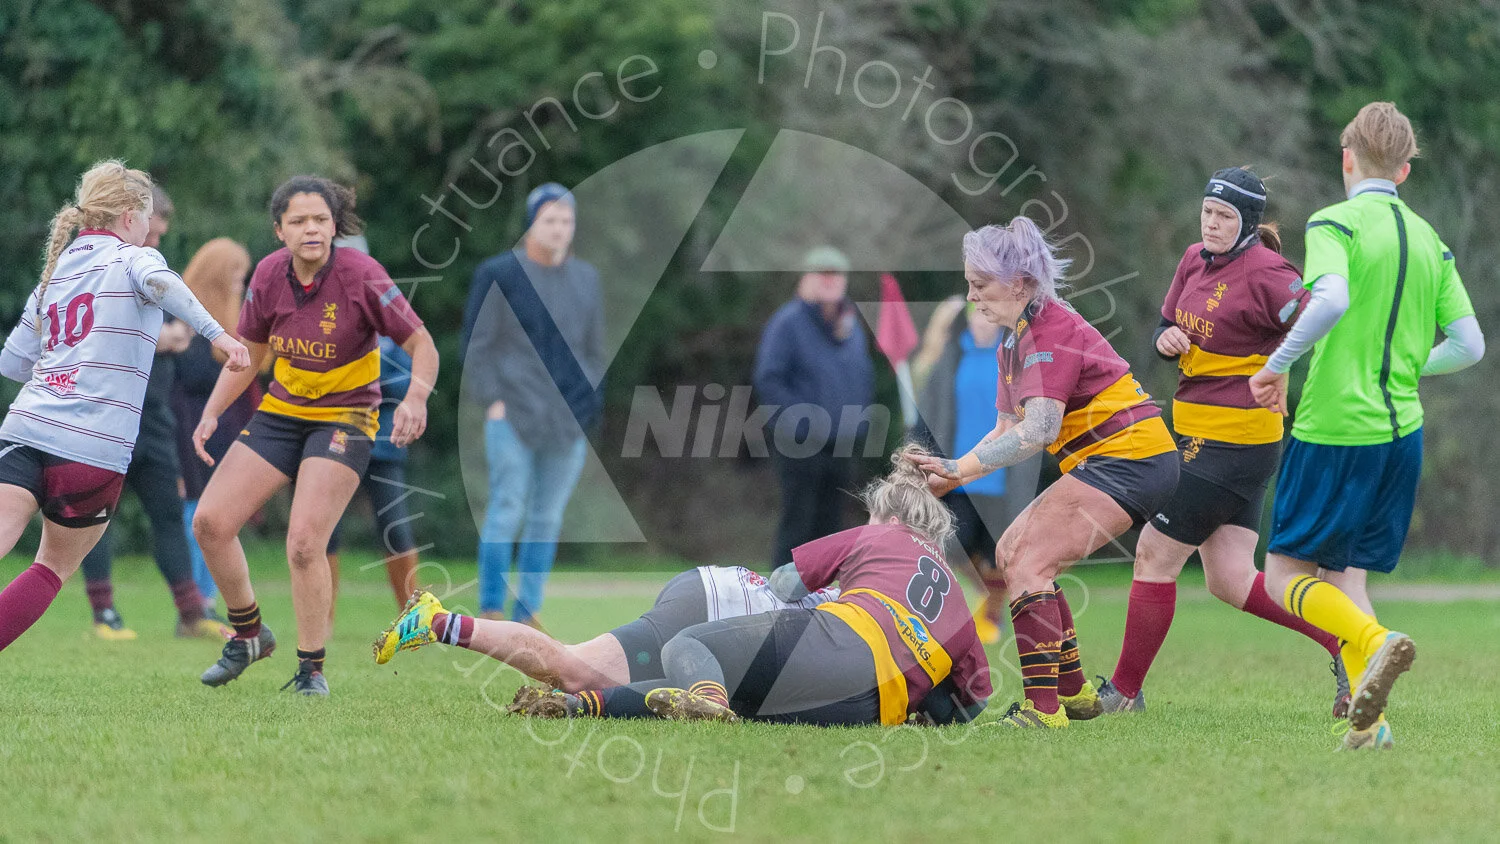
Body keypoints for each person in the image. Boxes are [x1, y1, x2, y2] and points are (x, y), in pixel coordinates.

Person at [1249, 102, 1484, 749]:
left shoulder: (1336, 222)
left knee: (1283, 577)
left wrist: (1275, 366)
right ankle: (1370, 726)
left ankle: (1376, 640)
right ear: (1405, 170)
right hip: (1402, 433)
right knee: (1347, 579)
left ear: (1347, 158)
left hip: (1336, 427)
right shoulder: (1431, 241)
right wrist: (1405, 366)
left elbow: (1331, 298)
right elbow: (1470, 345)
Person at [1095, 168, 1352, 716]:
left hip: (1235, 439)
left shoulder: (1270, 274)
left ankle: (1123, 692)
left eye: (1225, 216)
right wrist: (1166, 340)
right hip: (1199, 433)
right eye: (1207, 212)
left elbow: (1323, 315)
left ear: (1249, 223)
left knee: (1154, 552)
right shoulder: (1194, 259)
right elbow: (1166, 328)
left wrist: (1281, 367)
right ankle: (1347, 642)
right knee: (1231, 579)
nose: (1211, 224)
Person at [910, 217, 1180, 729]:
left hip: (1131, 458)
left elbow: (1039, 429)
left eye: (980, 285)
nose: (971, 297)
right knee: (1013, 551)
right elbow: (1004, 429)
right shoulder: (1013, 341)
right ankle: (1074, 694)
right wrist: (952, 474)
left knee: (1028, 561)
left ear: (1017, 284)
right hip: (1113, 460)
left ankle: (1044, 710)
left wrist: (959, 468)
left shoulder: (1049, 328)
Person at [500, 446, 991, 727]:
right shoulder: (958, 599)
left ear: (889, 515)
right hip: (871, 710)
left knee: (687, 646)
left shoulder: (879, 534)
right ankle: (580, 705)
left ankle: (709, 703)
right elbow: (972, 703)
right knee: (732, 688)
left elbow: (786, 582)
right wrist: (926, 705)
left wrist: (835, 586)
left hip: (838, 641)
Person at [190, 175, 438, 696]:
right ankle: (249, 635)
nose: (312, 229)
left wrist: (415, 398)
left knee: (305, 542)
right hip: (281, 413)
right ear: (279, 230)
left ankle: (311, 670)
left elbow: (422, 344)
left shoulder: (362, 274)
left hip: (345, 418)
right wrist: (212, 412)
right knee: (210, 523)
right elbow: (251, 354)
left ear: (334, 226)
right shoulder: (268, 274)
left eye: (321, 220)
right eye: (299, 220)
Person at [0, 161, 248, 655]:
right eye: (149, 218)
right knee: (51, 566)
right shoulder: (134, 258)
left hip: (26, 428)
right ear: (131, 216)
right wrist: (220, 335)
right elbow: (165, 285)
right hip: (91, 446)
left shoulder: (56, 271)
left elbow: (13, 363)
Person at [75, 184, 229, 640]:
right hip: (105, 418)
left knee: (169, 513)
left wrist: (176, 336)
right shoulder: (98, 269)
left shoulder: (156, 270)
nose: (156, 241)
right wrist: (162, 338)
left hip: (154, 418)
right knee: (95, 517)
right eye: (152, 232)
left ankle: (192, 614)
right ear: (130, 219)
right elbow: (91, 330)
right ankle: (104, 614)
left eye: (160, 234)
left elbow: (179, 328)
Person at [462, 183, 605, 624]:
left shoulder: (587, 279)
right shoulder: (499, 273)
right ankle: (491, 609)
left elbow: (595, 353)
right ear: (531, 225)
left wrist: (586, 407)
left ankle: (528, 612)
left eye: (566, 220)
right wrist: (493, 399)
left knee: (547, 518)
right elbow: (476, 345)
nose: (559, 228)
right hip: (512, 414)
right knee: (507, 509)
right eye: (550, 220)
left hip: (567, 421)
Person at [373, 564, 840, 693]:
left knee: (577, 668)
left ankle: (440, 621)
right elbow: (787, 580)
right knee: (575, 672)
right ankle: (435, 621)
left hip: (712, 591)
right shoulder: (863, 602)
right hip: (711, 607)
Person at [912, 297, 1043, 643]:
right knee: (952, 547)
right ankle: (962, 608)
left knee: (1000, 557)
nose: (982, 323)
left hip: (1004, 479)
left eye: (988, 316)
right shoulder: (951, 358)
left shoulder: (1015, 359)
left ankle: (991, 619)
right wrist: (918, 452)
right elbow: (928, 414)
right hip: (959, 477)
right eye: (977, 317)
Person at [753, 246, 877, 567]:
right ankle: (782, 591)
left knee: (831, 527)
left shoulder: (850, 326)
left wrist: (858, 424)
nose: (830, 281)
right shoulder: (788, 323)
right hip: (800, 444)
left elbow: (862, 377)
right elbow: (769, 379)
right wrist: (802, 425)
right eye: (822, 274)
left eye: (836, 275)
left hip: (841, 443)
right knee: (798, 523)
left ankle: (821, 591)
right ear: (805, 279)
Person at [173, 238, 260, 618]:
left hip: (224, 433)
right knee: (196, 512)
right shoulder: (184, 323)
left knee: (218, 515)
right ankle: (196, 601)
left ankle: (208, 598)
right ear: (219, 276)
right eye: (236, 275)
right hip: (189, 430)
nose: (241, 283)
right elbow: (186, 382)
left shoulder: (230, 322)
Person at [324, 334, 423, 614]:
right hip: (337, 442)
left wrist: (362, 384)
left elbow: (406, 382)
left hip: (385, 447)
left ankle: (412, 617)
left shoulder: (395, 329)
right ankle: (321, 621)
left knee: (396, 530)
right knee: (325, 531)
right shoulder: (337, 322)